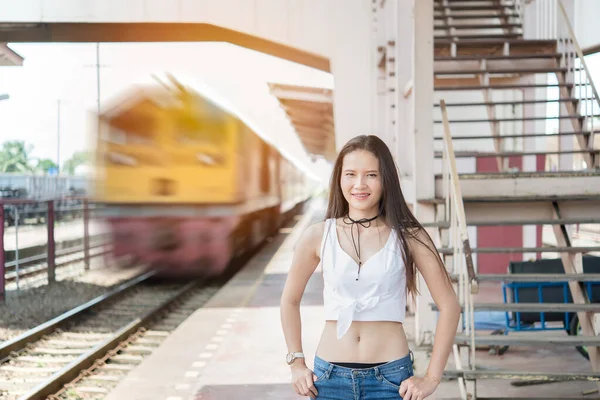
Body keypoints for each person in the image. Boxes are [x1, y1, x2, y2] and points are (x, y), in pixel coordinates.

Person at [280, 135, 461, 400]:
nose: (359, 184)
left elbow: (450, 306)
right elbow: (289, 300)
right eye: (350, 174)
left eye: (371, 175)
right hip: (329, 379)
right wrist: (296, 363)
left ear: (385, 179)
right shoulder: (318, 235)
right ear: (339, 179)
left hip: (391, 379)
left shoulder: (409, 236)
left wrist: (432, 378)